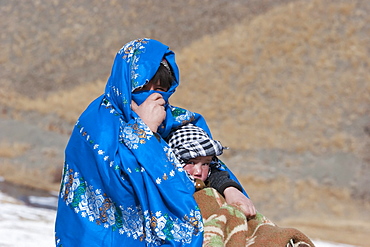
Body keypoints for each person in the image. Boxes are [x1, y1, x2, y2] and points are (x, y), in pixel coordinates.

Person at [55, 38, 252, 246]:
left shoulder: (173, 121)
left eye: (160, 90)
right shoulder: (97, 127)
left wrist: (229, 188)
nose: (152, 98)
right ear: (125, 85)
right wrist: (144, 132)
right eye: (142, 90)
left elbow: (201, 164)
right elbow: (118, 185)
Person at [167, 123, 315, 247]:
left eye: (205, 163)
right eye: (191, 162)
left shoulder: (213, 184)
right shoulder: (168, 185)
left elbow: (218, 178)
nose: (198, 171)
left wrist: (230, 189)